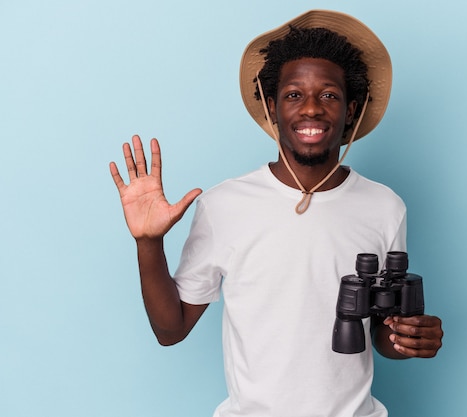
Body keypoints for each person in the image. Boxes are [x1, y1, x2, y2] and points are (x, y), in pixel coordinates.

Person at [110, 9, 443, 417]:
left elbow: (378, 331)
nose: (311, 109)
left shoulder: (385, 207)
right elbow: (170, 330)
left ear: (351, 110)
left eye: (329, 95)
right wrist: (149, 243)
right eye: (293, 95)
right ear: (272, 107)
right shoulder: (224, 205)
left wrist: (408, 339)